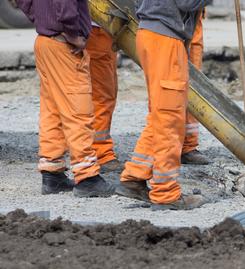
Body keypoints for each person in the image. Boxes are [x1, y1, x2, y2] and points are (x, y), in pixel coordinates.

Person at [117, 0, 212, 210]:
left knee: (160, 114)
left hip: (152, 33)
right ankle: (166, 192)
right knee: (170, 117)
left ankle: (135, 176)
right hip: (165, 38)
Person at [17, 0, 115, 197]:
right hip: (64, 45)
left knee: (52, 110)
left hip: (45, 41)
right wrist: (73, 33)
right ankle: (87, 177)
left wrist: (43, 20)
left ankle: (52, 173)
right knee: (77, 110)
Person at [86, 24, 122, 172]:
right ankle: (100, 153)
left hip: (96, 30)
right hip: (97, 30)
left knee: (101, 95)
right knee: (102, 97)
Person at [181, 8, 210, 165]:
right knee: (171, 87)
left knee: (193, 86)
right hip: (172, 20)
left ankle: (188, 145)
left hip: (193, 16)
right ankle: (173, 144)